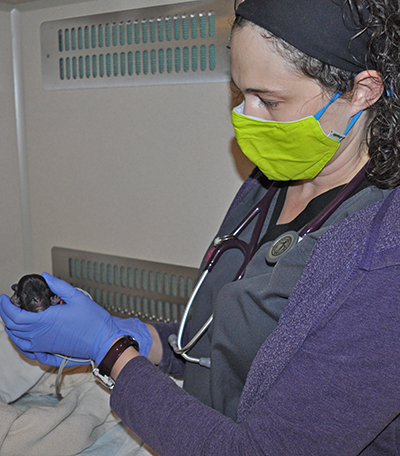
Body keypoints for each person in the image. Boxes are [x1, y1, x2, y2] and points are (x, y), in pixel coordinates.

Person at [1, 0, 400, 454]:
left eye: (269, 100)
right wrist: (134, 334)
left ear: (364, 90)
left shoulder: (383, 260)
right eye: (240, 94)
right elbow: (223, 339)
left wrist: (110, 351)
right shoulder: (274, 181)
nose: (247, 119)